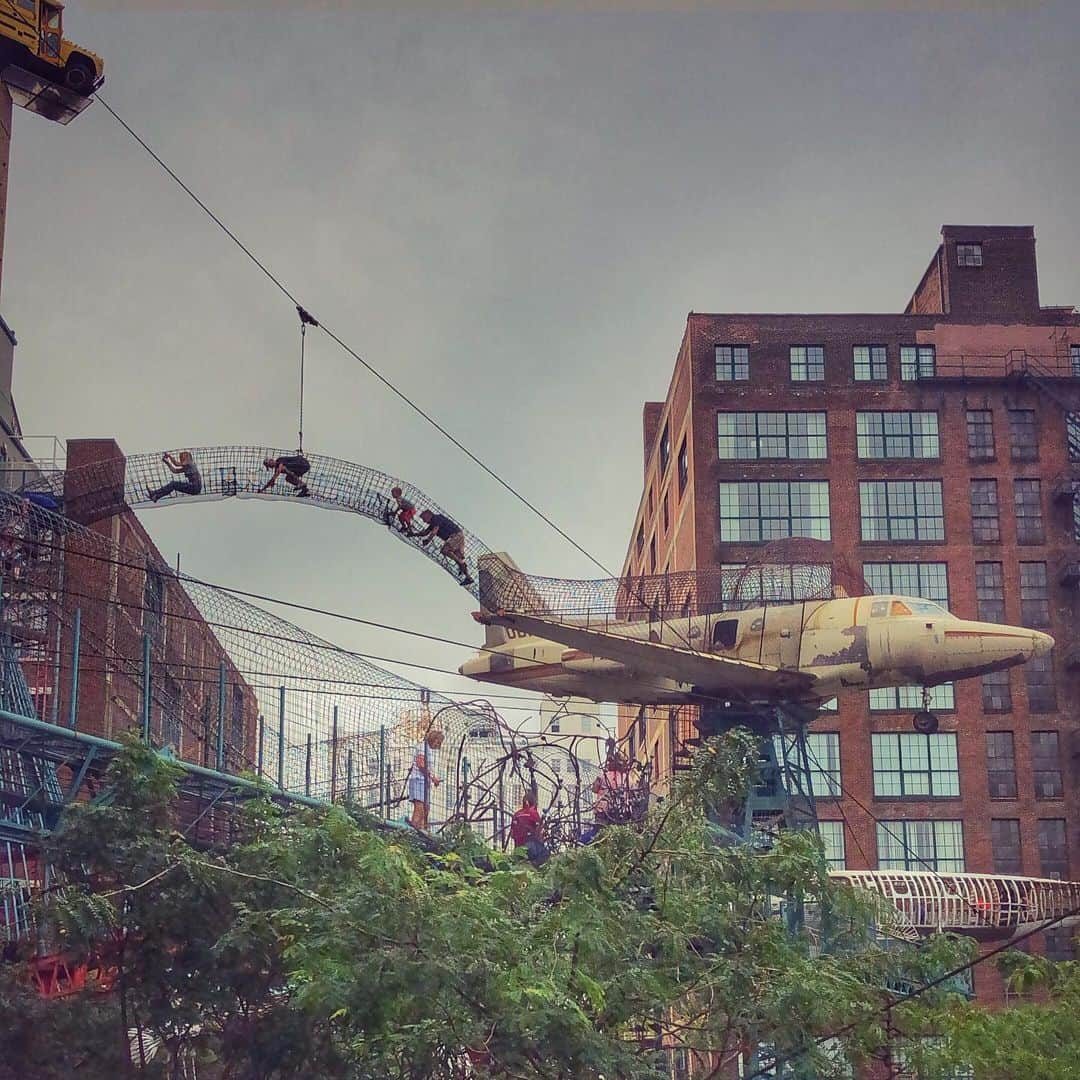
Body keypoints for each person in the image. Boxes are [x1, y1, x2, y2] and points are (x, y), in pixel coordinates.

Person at [416, 509, 472, 585]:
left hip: (455, 535)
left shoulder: (436, 518)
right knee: (457, 557)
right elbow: (424, 533)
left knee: (445, 550)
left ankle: (461, 564)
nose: (424, 521)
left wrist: (428, 540)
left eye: (424, 518)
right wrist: (414, 534)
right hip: (457, 536)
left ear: (428, 515)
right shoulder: (432, 524)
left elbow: (434, 531)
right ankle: (468, 577)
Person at [407, 728, 444, 830]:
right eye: (437, 741)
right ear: (433, 739)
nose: (438, 744)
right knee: (419, 808)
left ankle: (422, 831)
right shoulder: (423, 747)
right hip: (418, 780)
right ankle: (412, 831)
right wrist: (432, 778)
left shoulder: (429, 750)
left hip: (424, 782)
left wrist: (433, 778)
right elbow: (421, 764)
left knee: (426, 809)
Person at [509, 791, 548, 865]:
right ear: (533, 804)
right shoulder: (533, 813)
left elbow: (512, 834)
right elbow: (538, 833)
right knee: (546, 853)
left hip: (518, 849)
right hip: (530, 848)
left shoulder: (516, 814)